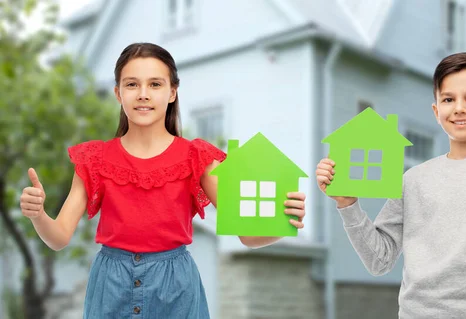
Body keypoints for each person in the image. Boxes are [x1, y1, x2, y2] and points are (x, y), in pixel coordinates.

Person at [19, 42, 307, 319]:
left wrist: (285, 223)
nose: (143, 94)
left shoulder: (197, 157)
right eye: (132, 84)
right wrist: (39, 215)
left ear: (172, 92)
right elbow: (58, 238)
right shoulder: (95, 158)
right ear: (119, 93)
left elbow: (247, 236)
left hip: (176, 289)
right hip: (110, 287)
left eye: (155, 84)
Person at [316, 52, 466, 318]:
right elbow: (380, 261)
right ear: (436, 111)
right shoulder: (412, 180)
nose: (459, 108)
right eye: (448, 99)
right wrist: (348, 204)